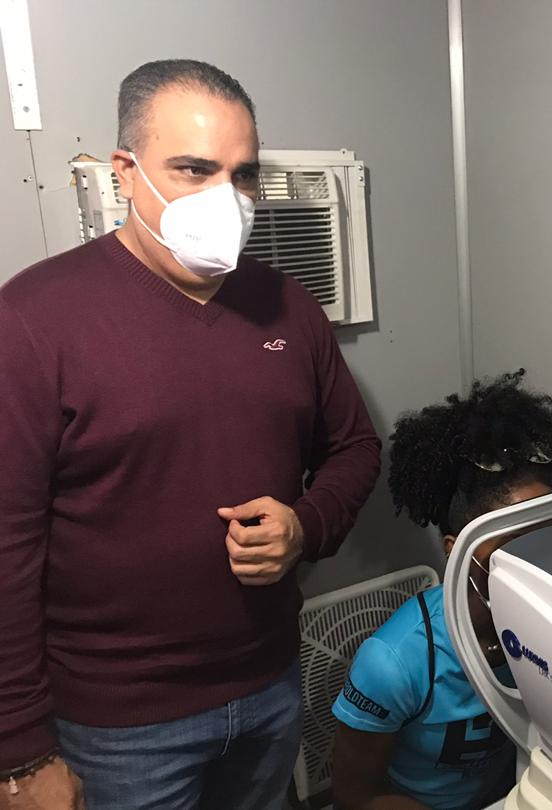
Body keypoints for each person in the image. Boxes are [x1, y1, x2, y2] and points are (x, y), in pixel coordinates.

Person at [0, 60, 382, 809]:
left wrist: (305, 526)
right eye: (194, 169)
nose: (225, 198)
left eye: (243, 176)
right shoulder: (34, 320)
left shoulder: (289, 307)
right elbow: (5, 540)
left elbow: (355, 448)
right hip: (117, 726)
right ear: (125, 172)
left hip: (269, 685)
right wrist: (19, 750)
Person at [331, 370, 552, 810]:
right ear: (457, 551)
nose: (539, 563)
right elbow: (355, 796)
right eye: (515, 545)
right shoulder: (396, 662)